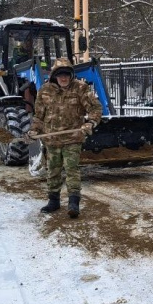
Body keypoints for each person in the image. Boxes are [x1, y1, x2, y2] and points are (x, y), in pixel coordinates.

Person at [27, 57, 102, 218]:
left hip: (73, 138)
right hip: (52, 139)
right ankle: (53, 201)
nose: (64, 78)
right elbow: (39, 115)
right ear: (54, 75)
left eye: (67, 74)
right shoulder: (45, 91)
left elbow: (95, 108)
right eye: (60, 74)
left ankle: (74, 202)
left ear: (71, 75)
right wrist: (34, 130)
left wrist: (90, 123)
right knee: (53, 170)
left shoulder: (80, 88)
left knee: (71, 169)